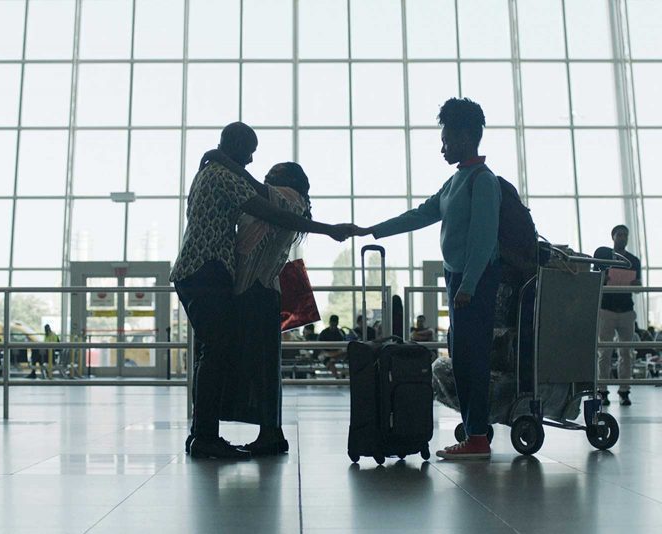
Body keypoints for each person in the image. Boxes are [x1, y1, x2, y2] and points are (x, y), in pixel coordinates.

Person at [171, 122, 352, 460]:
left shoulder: (223, 176)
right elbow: (264, 207)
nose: (255, 163)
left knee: (224, 356)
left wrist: (218, 159)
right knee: (222, 355)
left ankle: (210, 434)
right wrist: (328, 229)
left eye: (272, 171)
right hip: (210, 273)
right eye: (250, 152)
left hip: (229, 281)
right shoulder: (223, 176)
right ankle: (208, 436)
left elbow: (270, 207)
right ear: (236, 146)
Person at [354, 97, 501, 460]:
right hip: (458, 282)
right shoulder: (455, 181)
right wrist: (374, 230)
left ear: (466, 136)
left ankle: (478, 438)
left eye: (447, 138)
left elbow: (484, 240)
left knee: (472, 358)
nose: (443, 146)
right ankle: (475, 431)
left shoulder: (483, 181)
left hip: (473, 284)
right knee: (462, 356)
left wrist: (467, 286)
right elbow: (421, 214)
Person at [221, 162, 313, 456]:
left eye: (276, 174)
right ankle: (270, 431)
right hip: (259, 291)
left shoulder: (289, 199)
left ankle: (270, 433)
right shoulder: (279, 201)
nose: (268, 178)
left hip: (256, 290)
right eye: (269, 175)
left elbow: (258, 191)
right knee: (262, 366)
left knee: (261, 367)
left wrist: (226, 163)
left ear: (293, 181)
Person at [594, 225, 642, 406]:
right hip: (606, 309)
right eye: (619, 235)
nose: (623, 238)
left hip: (626, 310)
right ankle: (603, 391)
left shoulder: (633, 260)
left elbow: (637, 288)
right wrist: (603, 279)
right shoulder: (603, 258)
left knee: (626, 353)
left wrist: (636, 283)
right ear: (613, 237)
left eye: (625, 235)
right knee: (604, 353)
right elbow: (594, 281)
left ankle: (624, 391)